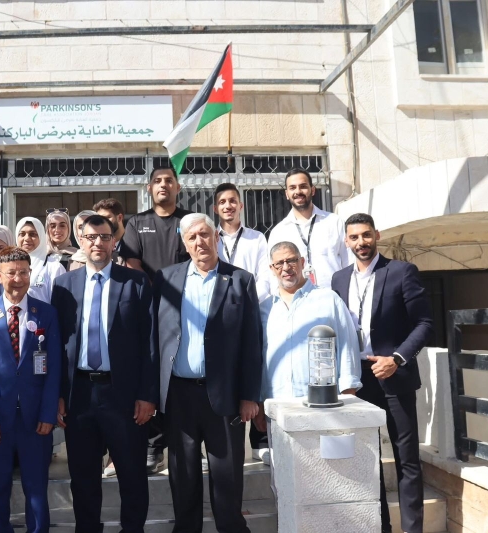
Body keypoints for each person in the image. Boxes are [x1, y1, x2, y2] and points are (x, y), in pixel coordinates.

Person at [154, 213, 262, 533]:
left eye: (204, 234)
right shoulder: (166, 279)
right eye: (192, 237)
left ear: (216, 236)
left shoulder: (240, 280)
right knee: (183, 477)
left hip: (224, 396)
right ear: (184, 243)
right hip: (179, 395)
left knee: (227, 478)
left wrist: (249, 396)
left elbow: (252, 343)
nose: (199, 242)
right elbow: (155, 337)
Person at [51, 214, 157, 533]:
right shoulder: (64, 285)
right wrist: (58, 394)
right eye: (91, 237)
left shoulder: (135, 282)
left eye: (105, 237)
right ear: (81, 241)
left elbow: (150, 343)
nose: (98, 243)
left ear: (114, 242)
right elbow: (58, 345)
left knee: (132, 474)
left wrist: (147, 395)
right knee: (83, 477)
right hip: (80, 395)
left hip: (123, 394)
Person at [331, 213, 433, 533]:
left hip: (394, 374)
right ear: (346, 241)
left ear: (377, 235)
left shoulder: (401, 271)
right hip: (356, 381)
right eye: (354, 237)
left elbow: (424, 323)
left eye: (366, 235)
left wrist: (397, 359)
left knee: (407, 459)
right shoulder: (338, 280)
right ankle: (381, 528)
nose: (361, 242)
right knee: (366, 460)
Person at [0, 247, 61, 533]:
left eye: (23, 272)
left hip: (35, 419)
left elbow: (54, 367)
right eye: (11, 273)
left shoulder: (46, 313)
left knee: (37, 488)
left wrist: (48, 413)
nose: (18, 279)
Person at [119, 165, 193, 473]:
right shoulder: (137, 222)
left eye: (169, 181)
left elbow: (196, 259)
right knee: (152, 374)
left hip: (186, 310)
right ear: (149, 188)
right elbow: (132, 262)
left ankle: (185, 442)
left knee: (181, 375)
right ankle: (154, 444)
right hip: (149, 310)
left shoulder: (188, 221)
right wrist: (156, 293)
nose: (164, 185)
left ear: (178, 187)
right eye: (158, 181)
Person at [257, 242, 361, 444]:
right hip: (277, 405)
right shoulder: (264, 310)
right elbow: (260, 359)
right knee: (282, 462)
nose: (286, 267)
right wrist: (260, 403)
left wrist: (348, 396)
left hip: (323, 404)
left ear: (302, 262)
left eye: (291, 260)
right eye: (279, 263)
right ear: (272, 268)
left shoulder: (328, 300)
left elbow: (347, 347)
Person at [212, 182, 273, 463]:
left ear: (241, 205)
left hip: (250, 313)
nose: (228, 206)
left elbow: (264, 277)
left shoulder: (256, 238)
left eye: (232, 201)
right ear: (216, 208)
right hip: (219, 317)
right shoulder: (210, 237)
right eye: (223, 202)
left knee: (254, 370)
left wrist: (246, 307)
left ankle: (259, 439)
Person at [267, 168, 350, 290]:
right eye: (292, 188)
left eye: (303, 186)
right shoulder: (278, 232)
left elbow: (349, 263)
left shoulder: (334, 222)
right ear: (287, 194)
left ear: (313, 190)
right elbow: (274, 276)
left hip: (334, 295)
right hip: (297, 298)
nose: (298, 191)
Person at [15, 217, 66, 303]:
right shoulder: (11, 265)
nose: (27, 238)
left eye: (32, 234)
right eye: (22, 234)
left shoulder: (54, 267)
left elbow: (61, 302)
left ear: (41, 237)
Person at [93, 198, 127, 266]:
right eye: (99, 219)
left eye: (106, 218)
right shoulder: (97, 244)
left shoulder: (133, 243)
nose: (102, 222)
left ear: (119, 218)